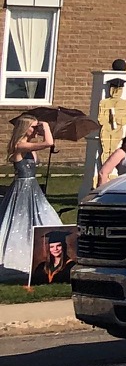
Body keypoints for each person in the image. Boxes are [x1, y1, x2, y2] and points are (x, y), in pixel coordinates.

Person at [2, 115, 62, 277]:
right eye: (33, 127)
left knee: (44, 215)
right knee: (20, 220)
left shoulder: (28, 146)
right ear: (25, 128)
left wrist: (42, 131)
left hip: (32, 187)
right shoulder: (19, 145)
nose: (36, 130)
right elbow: (48, 142)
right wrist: (46, 128)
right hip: (22, 188)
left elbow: (43, 147)